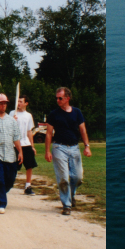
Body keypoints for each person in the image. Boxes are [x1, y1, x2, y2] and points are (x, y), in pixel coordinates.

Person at [44, 87, 92, 216]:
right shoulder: (54, 114)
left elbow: (83, 130)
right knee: (63, 178)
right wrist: (47, 151)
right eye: (57, 98)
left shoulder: (77, 112)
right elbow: (49, 134)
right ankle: (67, 205)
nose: (58, 100)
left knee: (77, 177)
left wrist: (87, 146)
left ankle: (71, 195)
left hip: (74, 148)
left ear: (67, 98)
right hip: (59, 148)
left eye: (60, 98)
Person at [9, 94, 38, 195]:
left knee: (29, 165)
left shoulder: (28, 115)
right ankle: (8, 183)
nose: (18, 103)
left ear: (26, 103)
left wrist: (32, 146)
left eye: (21, 101)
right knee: (13, 166)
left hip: (26, 144)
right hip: (14, 145)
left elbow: (29, 131)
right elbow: (8, 127)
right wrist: (12, 120)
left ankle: (28, 186)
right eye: (17, 101)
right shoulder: (12, 113)